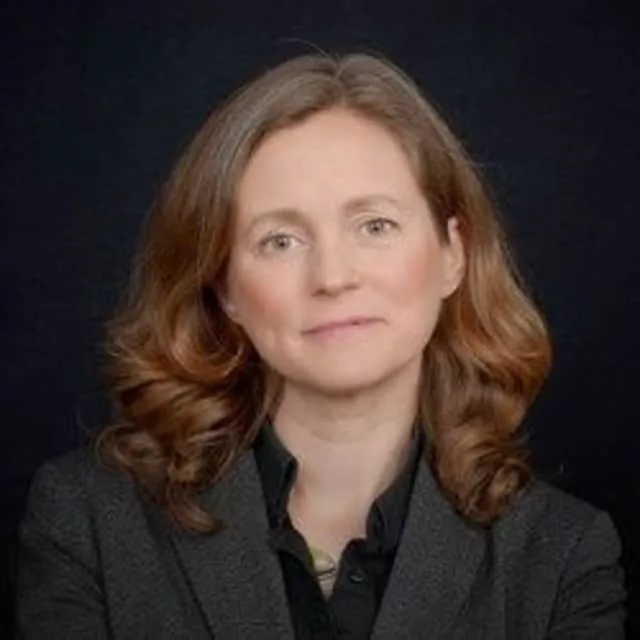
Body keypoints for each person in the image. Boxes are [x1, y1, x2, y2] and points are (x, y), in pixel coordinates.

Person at [15, 52, 626, 639]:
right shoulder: (88, 521)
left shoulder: (564, 558)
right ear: (223, 285)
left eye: (375, 225)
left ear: (453, 255)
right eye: (280, 240)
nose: (333, 277)